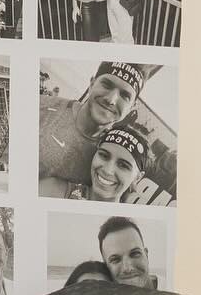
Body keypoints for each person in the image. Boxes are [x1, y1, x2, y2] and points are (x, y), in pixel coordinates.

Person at [39, 61, 147, 197]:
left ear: (132, 106)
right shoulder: (41, 107)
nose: (111, 100)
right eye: (107, 85)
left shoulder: (110, 154)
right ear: (91, 84)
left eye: (125, 96)